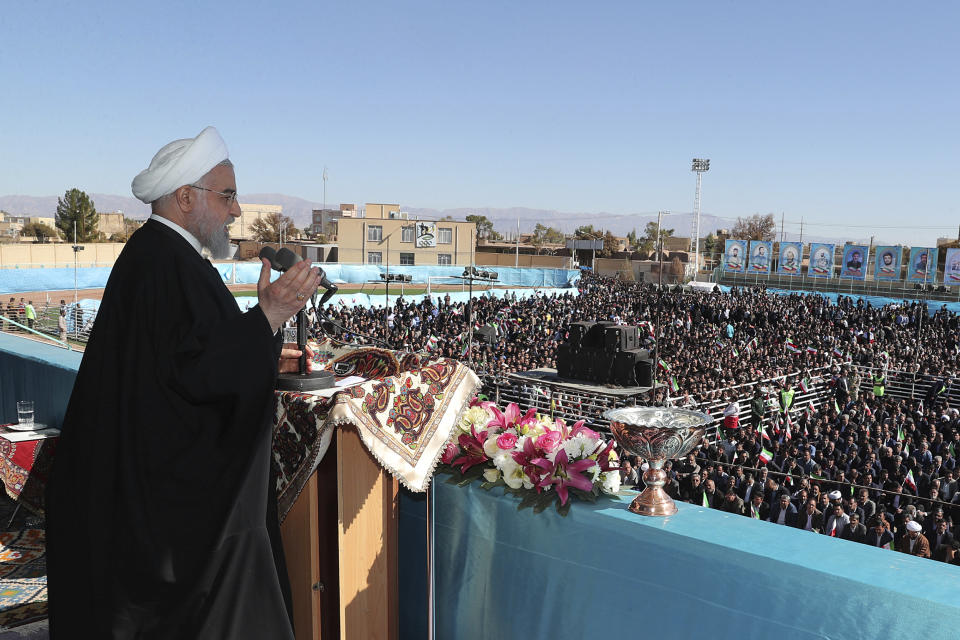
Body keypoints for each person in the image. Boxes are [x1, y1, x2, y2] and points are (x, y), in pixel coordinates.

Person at [47, 127, 322, 638]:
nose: (237, 211)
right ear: (185, 198)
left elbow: (191, 358)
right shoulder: (163, 263)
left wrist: (262, 339)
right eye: (228, 195)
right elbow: (198, 380)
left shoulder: (163, 257)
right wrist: (269, 313)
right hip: (159, 520)